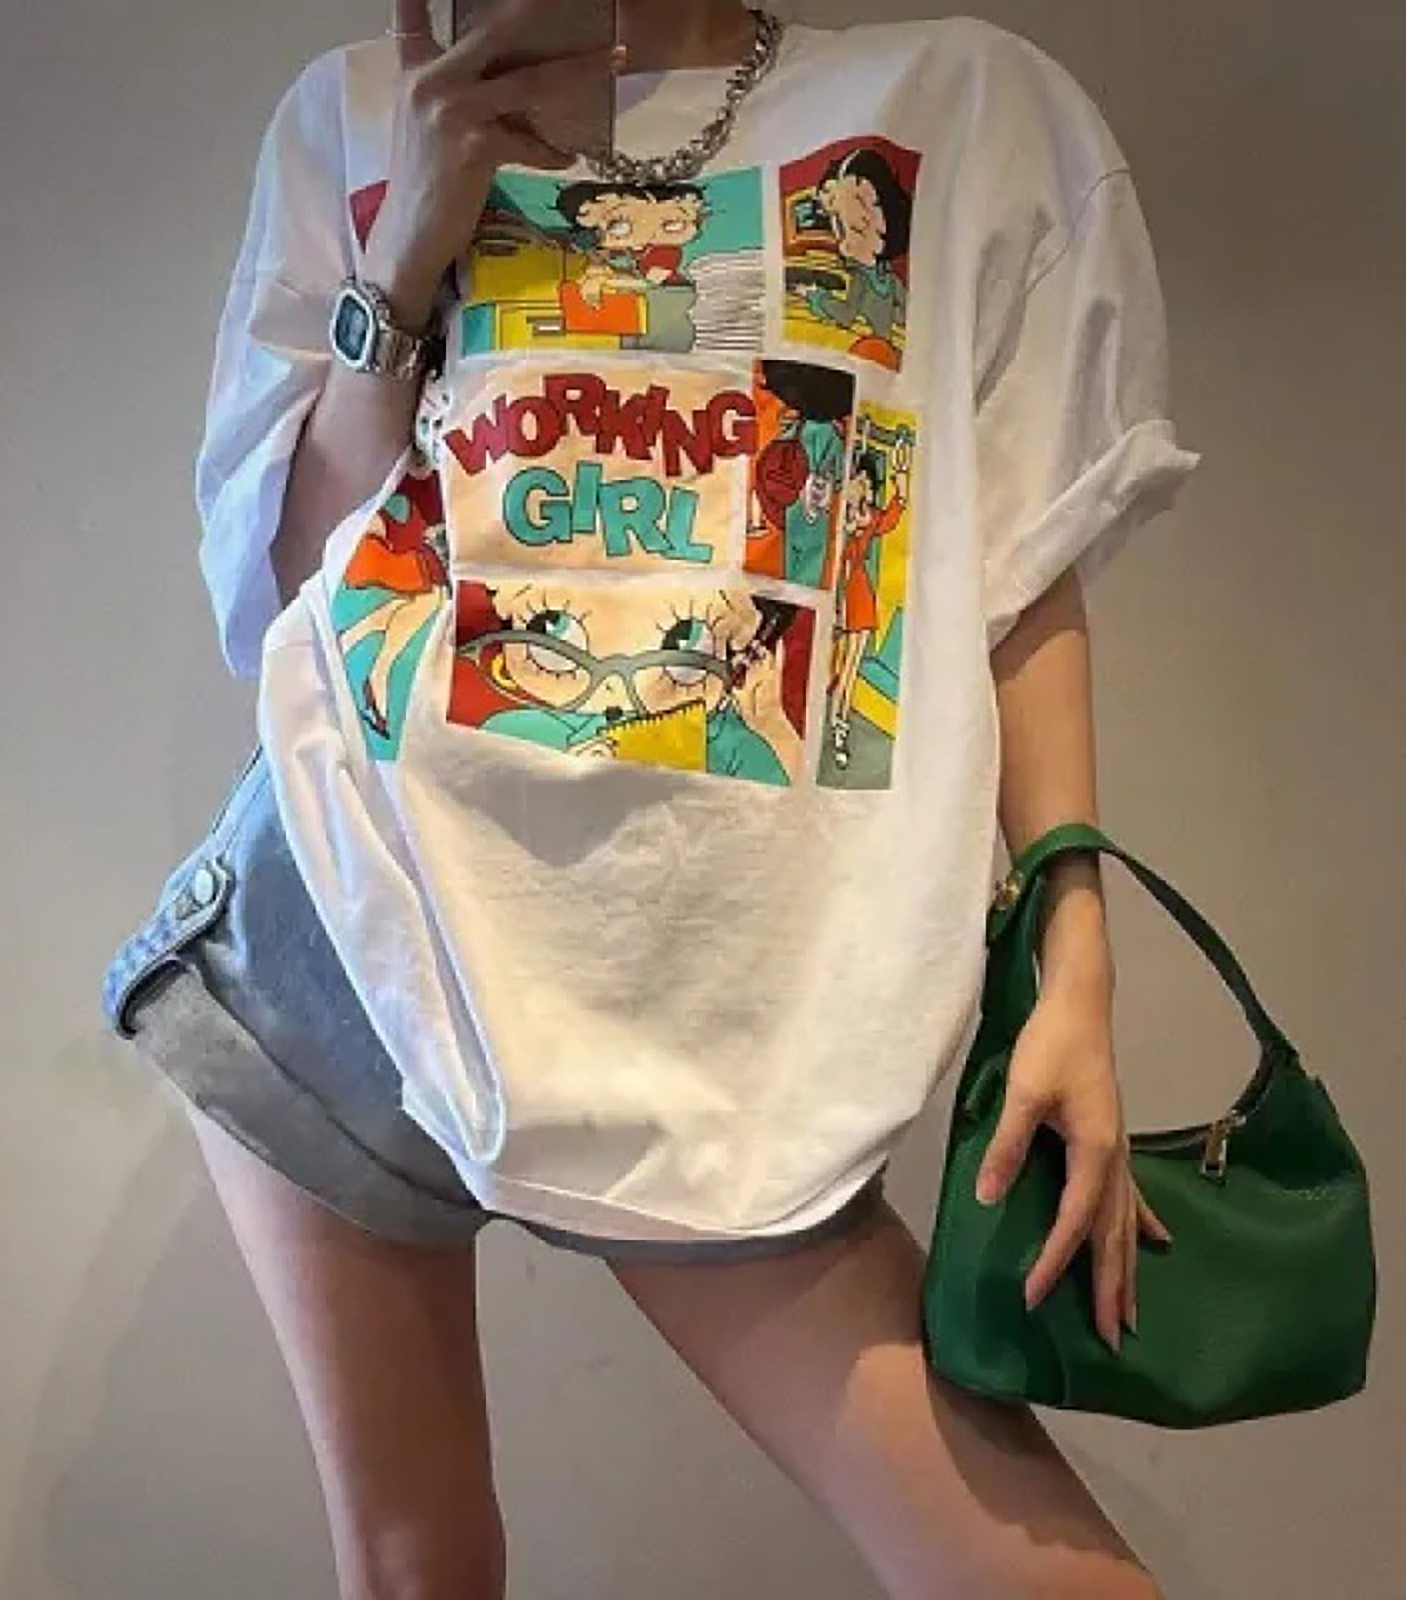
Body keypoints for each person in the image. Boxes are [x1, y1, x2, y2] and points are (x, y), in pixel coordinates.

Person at [101, 1, 1201, 1595]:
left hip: (710, 1006)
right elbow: (291, 586)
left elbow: (1022, 564)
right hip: (339, 935)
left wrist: (1073, 949)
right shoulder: (360, 115)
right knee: (416, 1573)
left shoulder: (958, 107)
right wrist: (404, 250)